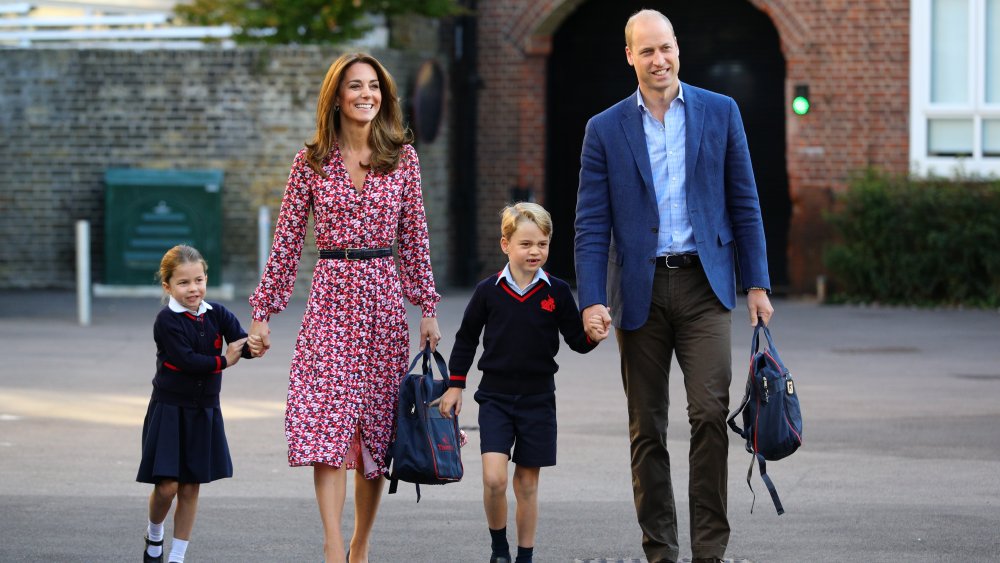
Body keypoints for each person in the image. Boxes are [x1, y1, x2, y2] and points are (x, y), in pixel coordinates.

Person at [573, 9, 775, 563]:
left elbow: (745, 202)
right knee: (647, 428)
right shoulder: (604, 128)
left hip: (704, 287)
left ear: (678, 49)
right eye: (647, 51)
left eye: (666, 48)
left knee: (710, 413)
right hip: (637, 291)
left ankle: (710, 549)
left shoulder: (720, 111)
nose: (659, 60)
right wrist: (591, 297)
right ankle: (660, 548)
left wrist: (755, 282)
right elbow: (591, 224)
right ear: (630, 57)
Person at [245, 52, 441, 563]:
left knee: (376, 433)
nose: (366, 95)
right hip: (330, 300)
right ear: (336, 95)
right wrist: (263, 311)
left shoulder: (403, 157)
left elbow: (415, 239)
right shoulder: (309, 162)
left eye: (373, 86)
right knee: (326, 422)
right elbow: (286, 244)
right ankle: (333, 545)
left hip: (381, 301)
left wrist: (427, 306)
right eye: (355, 86)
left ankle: (361, 544)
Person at [437, 202, 608, 563]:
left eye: (542, 244)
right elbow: (467, 338)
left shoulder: (557, 292)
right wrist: (455, 385)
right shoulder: (488, 291)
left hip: (538, 400)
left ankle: (525, 556)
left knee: (527, 485)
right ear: (506, 245)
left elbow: (577, 341)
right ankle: (499, 549)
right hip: (495, 399)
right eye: (526, 244)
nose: (535, 251)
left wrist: (594, 335)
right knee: (495, 479)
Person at [137, 244, 251, 563]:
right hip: (170, 409)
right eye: (184, 283)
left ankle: (176, 556)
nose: (193, 289)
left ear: (206, 279)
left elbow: (240, 341)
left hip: (204, 410)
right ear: (168, 286)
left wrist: (255, 343)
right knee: (167, 487)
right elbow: (187, 361)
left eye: (199, 280)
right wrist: (224, 361)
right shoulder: (167, 321)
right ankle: (155, 535)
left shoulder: (217, 313)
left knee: (190, 487)